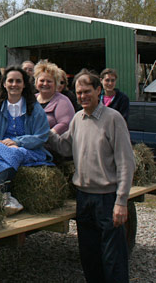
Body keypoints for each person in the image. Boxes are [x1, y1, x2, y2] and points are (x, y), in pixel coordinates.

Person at [47, 69, 135, 283]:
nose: (82, 96)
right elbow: (65, 147)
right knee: (89, 256)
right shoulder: (78, 118)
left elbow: (126, 162)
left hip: (107, 198)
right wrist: (44, 132)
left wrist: (121, 201)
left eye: (87, 91)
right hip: (84, 198)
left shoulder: (113, 119)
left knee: (113, 258)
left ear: (98, 90)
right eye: (79, 93)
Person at [0, 66, 53, 215]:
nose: (14, 84)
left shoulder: (34, 107)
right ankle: (6, 197)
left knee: (17, 152)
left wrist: (18, 142)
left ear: (24, 84)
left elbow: (41, 136)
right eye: (11, 81)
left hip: (29, 151)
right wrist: (3, 144)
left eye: (18, 81)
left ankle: (4, 195)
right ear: (4, 83)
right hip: (1, 147)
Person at [34, 60, 75, 135]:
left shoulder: (63, 101)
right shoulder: (30, 99)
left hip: (52, 144)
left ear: (56, 84)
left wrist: (44, 136)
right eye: (42, 80)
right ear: (36, 83)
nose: (45, 84)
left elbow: (65, 124)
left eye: (49, 81)